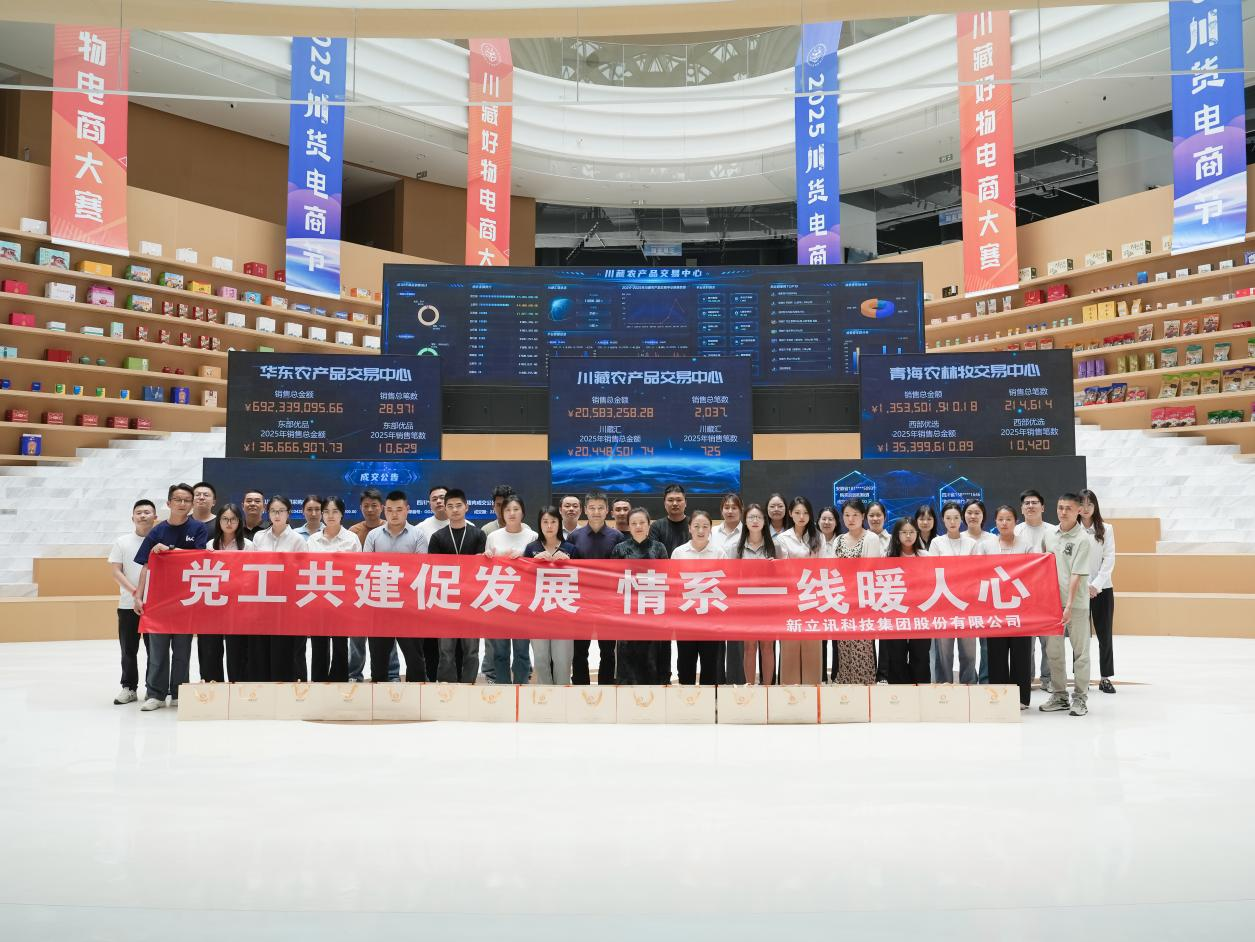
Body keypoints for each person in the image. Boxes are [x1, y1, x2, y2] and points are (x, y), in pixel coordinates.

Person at [133, 483, 210, 711]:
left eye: (187, 500)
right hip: (158, 600)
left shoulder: (198, 528)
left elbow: (199, 557)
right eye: (178, 499)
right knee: (157, 651)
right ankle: (155, 694)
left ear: (192, 504)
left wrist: (170, 551)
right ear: (169, 503)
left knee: (182, 650)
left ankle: (178, 692)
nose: (182, 504)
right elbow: (146, 566)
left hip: (186, 599)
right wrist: (139, 596)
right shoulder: (157, 531)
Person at [362, 490, 429, 683]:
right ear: (384, 510)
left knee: (415, 657)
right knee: (378, 658)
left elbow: (421, 570)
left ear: (407, 509)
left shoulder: (418, 535)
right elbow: (366, 568)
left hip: (408, 606)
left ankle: (416, 695)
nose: (394, 514)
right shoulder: (373, 536)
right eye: (390, 510)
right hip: (380, 604)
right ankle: (378, 696)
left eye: (399, 509)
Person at [1041, 493, 1093, 716]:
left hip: (1076, 605)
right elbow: (1043, 566)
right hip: (1052, 605)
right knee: (1054, 652)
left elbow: (1076, 575)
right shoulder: (1049, 535)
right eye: (1060, 507)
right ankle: (1060, 696)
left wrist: (1069, 605)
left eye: (1068, 508)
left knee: (1080, 653)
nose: (1063, 512)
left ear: (1079, 511)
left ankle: (1080, 698)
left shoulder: (1083, 539)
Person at [975, 505, 1033, 708]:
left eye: (1008, 519)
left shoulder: (1026, 545)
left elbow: (1032, 574)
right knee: (996, 654)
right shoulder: (986, 546)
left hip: (1020, 609)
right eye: (1000, 519)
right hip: (995, 609)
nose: (1004, 523)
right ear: (995, 522)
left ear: (1016, 521)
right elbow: (978, 573)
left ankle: (1021, 698)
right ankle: (998, 696)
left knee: (1021, 654)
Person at [429, 488, 488, 682]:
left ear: (466, 507)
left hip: (471, 600)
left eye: (458, 505)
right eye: (450, 506)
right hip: (446, 600)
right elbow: (433, 570)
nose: (454, 510)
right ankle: (447, 687)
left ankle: (469, 685)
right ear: (445, 509)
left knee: (471, 650)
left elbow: (481, 569)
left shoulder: (478, 535)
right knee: (446, 651)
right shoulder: (437, 537)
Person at [568, 490, 625, 685]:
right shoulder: (574, 537)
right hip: (581, 602)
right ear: (585, 510)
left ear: (607, 510)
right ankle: (580, 685)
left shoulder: (617, 537)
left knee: (607, 650)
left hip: (608, 603)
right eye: (592, 508)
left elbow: (622, 570)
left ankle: (606, 685)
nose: (596, 512)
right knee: (580, 650)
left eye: (600, 508)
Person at [252, 495, 308, 682]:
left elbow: (303, 571)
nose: (277, 515)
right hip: (263, 600)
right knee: (262, 647)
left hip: (287, 601)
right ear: (268, 513)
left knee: (284, 648)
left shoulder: (298, 540)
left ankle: (285, 685)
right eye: (273, 511)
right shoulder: (259, 537)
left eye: (281, 511)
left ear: (288, 513)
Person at [610, 507, 669, 684]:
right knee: (627, 660)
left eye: (642, 522)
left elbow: (666, 579)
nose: (638, 526)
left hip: (652, 611)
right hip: (627, 613)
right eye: (634, 523)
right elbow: (613, 581)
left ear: (649, 525)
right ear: (628, 526)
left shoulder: (659, 548)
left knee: (652, 660)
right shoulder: (619, 549)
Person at [306, 496, 359, 683]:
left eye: (335, 511)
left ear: (342, 514)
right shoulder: (313, 540)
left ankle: (339, 682)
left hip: (342, 599)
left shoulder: (351, 539)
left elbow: (357, 571)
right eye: (326, 511)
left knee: (340, 644)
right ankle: (318, 682)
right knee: (319, 643)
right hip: (318, 597)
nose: (330, 515)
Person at [524, 506, 580, 685]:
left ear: (559, 523)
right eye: (545, 522)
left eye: (553, 522)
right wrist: (532, 564)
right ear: (539, 524)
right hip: (538, 613)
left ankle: (562, 698)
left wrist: (569, 564)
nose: (549, 526)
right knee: (541, 660)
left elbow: (582, 580)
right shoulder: (531, 548)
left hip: (563, 612)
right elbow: (523, 580)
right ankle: (545, 697)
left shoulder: (571, 549)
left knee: (563, 661)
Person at [108, 499, 156, 704]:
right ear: (133, 517)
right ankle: (128, 688)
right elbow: (116, 571)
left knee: (155, 651)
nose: (143, 515)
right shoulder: (122, 542)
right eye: (139, 512)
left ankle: (153, 689)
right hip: (128, 604)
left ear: (155, 517)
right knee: (128, 650)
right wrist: (136, 593)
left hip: (155, 605)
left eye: (147, 512)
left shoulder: (160, 541)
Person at [485, 495, 536, 684]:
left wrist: (524, 556)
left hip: (523, 602)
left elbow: (538, 567)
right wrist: (486, 556)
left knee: (522, 651)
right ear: (502, 513)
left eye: (516, 509)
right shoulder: (493, 537)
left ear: (523, 512)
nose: (512, 513)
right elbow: (486, 569)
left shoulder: (532, 536)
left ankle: (521, 687)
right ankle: (503, 688)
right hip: (499, 600)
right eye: (507, 510)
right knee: (500, 652)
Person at [831, 498, 883, 686]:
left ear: (863, 516)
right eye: (847, 515)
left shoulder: (871, 538)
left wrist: (850, 586)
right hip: (842, 602)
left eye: (855, 515)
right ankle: (846, 691)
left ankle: (864, 688)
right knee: (844, 649)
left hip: (862, 602)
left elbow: (869, 570)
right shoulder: (838, 540)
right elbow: (833, 571)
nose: (850, 519)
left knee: (863, 649)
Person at [348, 487, 397, 683]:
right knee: (357, 637)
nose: (370, 510)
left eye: (374, 505)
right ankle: (354, 674)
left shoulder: (391, 527)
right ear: (360, 508)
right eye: (366, 506)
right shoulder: (353, 532)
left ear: (382, 507)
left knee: (388, 635)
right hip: (359, 591)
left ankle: (392, 674)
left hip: (385, 590)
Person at [200, 504, 253, 684]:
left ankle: (237, 685)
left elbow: (252, 575)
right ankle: (214, 686)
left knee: (237, 649)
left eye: (233, 519)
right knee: (212, 648)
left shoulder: (248, 546)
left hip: (238, 604)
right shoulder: (210, 545)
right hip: (215, 602)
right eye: (225, 519)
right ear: (219, 521)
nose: (229, 523)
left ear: (239, 521)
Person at [671, 509, 724, 685]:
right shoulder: (679, 553)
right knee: (685, 664)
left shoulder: (719, 553)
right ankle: (686, 700)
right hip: (686, 618)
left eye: (705, 526)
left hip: (711, 619)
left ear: (711, 529)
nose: (701, 530)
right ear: (689, 528)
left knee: (710, 664)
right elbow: (673, 584)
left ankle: (709, 701)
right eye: (696, 526)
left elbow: (725, 584)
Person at [927, 502, 978, 685]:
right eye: (948, 518)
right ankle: (944, 687)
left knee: (969, 652)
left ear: (961, 519)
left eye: (956, 517)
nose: (952, 521)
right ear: (943, 520)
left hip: (966, 603)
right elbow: (932, 572)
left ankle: (968, 685)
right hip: (943, 603)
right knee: (944, 652)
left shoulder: (971, 543)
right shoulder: (936, 543)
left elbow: (976, 572)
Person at [729, 504, 778, 685]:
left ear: (765, 521)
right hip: (746, 605)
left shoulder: (776, 545)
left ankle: (767, 688)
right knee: (749, 647)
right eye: (751, 517)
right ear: (745, 521)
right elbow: (730, 578)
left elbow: (786, 576)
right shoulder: (736, 548)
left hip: (769, 605)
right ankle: (749, 688)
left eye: (759, 517)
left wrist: (776, 567)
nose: (755, 521)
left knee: (767, 647)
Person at [1015, 488, 1059, 692]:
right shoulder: (1015, 531)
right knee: (1027, 642)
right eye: (1027, 503)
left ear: (1043, 507)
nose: (1030, 506)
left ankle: (1048, 678)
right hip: (1022, 594)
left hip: (1048, 592)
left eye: (1034, 503)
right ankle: (1027, 677)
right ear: (1021, 508)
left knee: (1049, 640)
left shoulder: (1054, 531)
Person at [878, 518, 931, 684]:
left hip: (920, 613)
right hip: (895, 612)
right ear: (897, 535)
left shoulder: (925, 556)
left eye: (912, 532)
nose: (908, 536)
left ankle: (920, 691)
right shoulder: (887, 557)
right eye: (904, 532)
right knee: (896, 657)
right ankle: (899, 694)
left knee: (920, 656)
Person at [776, 496, 822, 685]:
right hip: (791, 598)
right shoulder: (782, 538)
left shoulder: (818, 536)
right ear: (790, 514)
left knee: (812, 644)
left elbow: (823, 567)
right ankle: (789, 691)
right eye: (797, 512)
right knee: (790, 644)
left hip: (813, 596)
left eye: (805, 513)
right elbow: (782, 569)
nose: (801, 516)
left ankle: (813, 688)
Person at [648, 484, 691, 683]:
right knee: (661, 638)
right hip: (662, 591)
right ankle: (662, 679)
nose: (675, 503)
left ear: (685, 502)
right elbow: (653, 556)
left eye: (679, 500)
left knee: (686, 640)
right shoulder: (657, 527)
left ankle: (685, 680)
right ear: (664, 503)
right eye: (670, 500)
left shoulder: (693, 524)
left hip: (689, 590)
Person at [1080, 488, 1117, 695]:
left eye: (1090, 504)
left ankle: (1105, 677)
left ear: (1095, 507)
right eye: (1082, 504)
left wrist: (1096, 585)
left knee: (1105, 635)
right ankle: (1082, 678)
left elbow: (1109, 558)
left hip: (1103, 589)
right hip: (1079, 589)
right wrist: (1085, 585)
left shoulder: (1107, 529)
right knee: (1081, 637)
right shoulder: (1071, 530)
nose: (1086, 508)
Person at [963, 499, 998, 683]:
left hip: (988, 596)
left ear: (983, 516)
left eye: (977, 513)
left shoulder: (993, 539)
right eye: (969, 512)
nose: (973, 516)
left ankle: (985, 679)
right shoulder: (958, 537)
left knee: (987, 644)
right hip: (963, 598)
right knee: (967, 647)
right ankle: (968, 680)